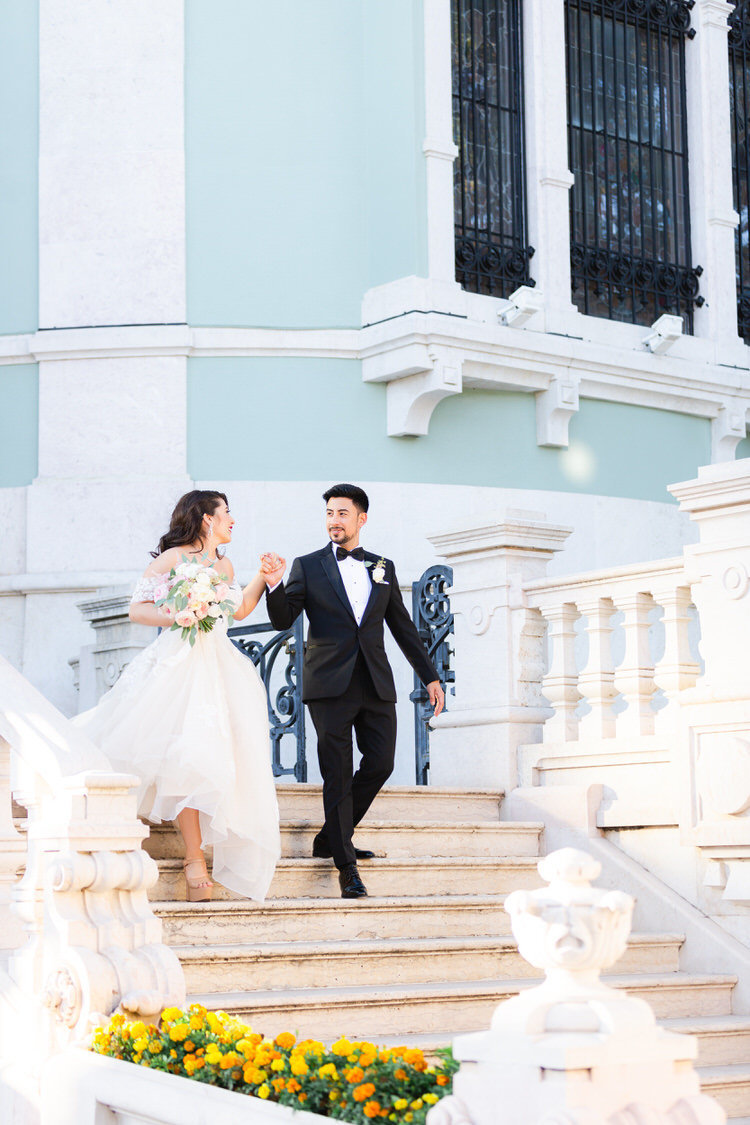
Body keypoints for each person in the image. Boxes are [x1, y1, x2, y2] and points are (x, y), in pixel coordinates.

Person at [74, 490, 281, 903]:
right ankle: (193, 859)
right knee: (187, 755)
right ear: (207, 518)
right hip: (180, 662)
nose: (232, 520)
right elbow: (138, 608)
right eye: (227, 513)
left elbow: (237, 611)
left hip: (221, 665)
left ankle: (201, 853)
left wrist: (263, 577)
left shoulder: (223, 564)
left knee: (212, 756)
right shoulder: (174, 559)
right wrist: (180, 614)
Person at [263, 483, 444, 899]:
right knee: (338, 774)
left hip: (375, 681)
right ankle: (346, 865)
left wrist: (430, 676)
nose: (334, 521)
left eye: (342, 513)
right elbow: (283, 619)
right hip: (329, 685)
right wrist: (274, 585)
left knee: (381, 763)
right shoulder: (307, 566)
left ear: (361, 519)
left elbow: (401, 626)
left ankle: (331, 837)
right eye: (329, 513)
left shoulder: (383, 566)